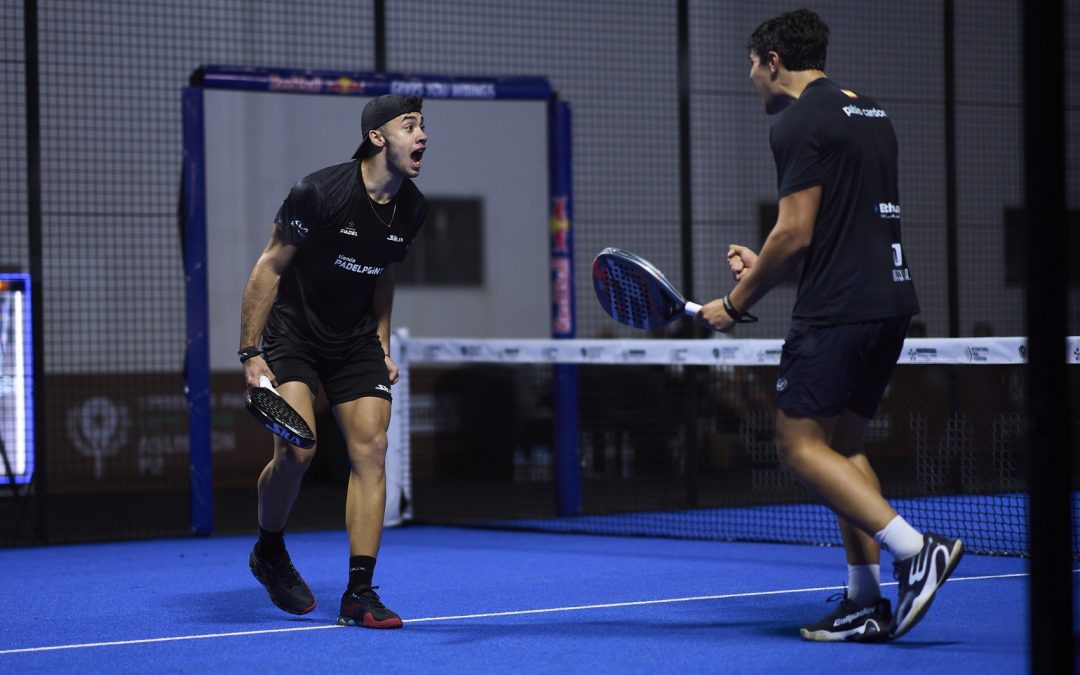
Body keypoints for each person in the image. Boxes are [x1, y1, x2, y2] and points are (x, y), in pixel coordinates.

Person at [697, 9, 963, 642]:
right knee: (842, 447)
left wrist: (734, 301)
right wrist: (768, 264)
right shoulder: (870, 111)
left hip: (837, 310)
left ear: (773, 61)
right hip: (890, 301)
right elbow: (843, 225)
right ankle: (864, 602)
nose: (750, 77)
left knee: (798, 445)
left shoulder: (796, 121)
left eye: (750, 65)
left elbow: (794, 232)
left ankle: (915, 550)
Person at [238, 94, 428, 629]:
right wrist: (250, 353)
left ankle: (359, 594)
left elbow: (384, 274)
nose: (422, 135)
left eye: (423, 126)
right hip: (293, 334)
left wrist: (382, 345)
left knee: (373, 449)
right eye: (409, 126)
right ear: (376, 137)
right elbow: (270, 266)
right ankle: (269, 551)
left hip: (354, 341)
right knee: (298, 451)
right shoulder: (319, 192)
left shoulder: (413, 208)